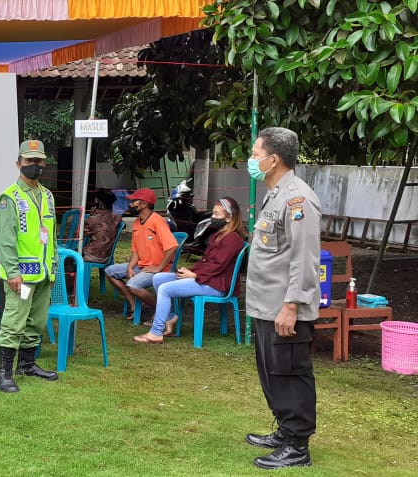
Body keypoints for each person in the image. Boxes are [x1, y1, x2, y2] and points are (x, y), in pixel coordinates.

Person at [243, 127, 321, 470]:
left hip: (285, 308)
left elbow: (305, 259)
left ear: (273, 160)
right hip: (267, 305)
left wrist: (292, 306)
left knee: (290, 374)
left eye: (256, 154)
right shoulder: (275, 195)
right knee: (272, 373)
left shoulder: (297, 199)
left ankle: (297, 445)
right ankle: (284, 431)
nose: (251, 159)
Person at [0, 139, 59, 393]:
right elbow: (5, 240)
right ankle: (3, 374)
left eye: (39, 160)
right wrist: (12, 273)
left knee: (37, 322)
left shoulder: (47, 195)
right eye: (30, 160)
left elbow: (51, 235)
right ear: (19, 163)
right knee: (14, 321)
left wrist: (53, 266)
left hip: (43, 273)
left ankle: (27, 365)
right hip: (21, 277)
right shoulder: (9, 198)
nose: (36, 165)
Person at [133, 197, 245, 343]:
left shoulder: (232, 239)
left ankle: (156, 332)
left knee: (165, 289)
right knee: (158, 278)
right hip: (206, 279)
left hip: (217, 285)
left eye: (217, 214)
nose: (213, 217)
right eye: (213, 213)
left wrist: (194, 275)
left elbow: (218, 265)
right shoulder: (217, 235)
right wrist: (188, 271)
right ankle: (170, 318)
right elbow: (206, 261)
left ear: (229, 218)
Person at [104, 188, 179, 320]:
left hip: (159, 269)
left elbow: (173, 246)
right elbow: (135, 251)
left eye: (133, 201)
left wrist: (159, 267)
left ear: (143, 204)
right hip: (142, 266)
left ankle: (163, 310)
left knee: (133, 285)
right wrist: (130, 267)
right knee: (109, 271)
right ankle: (133, 304)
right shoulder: (137, 223)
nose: (130, 204)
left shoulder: (157, 221)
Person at [82, 188, 122, 263]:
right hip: (107, 256)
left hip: (92, 255)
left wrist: (91, 216)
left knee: (68, 256)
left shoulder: (93, 219)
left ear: (98, 201)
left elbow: (79, 235)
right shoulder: (116, 217)